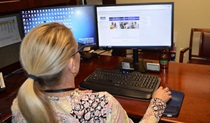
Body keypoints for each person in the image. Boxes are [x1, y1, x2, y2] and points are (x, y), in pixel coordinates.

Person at [11, 22, 172, 123]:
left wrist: (73, 95)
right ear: (72, 64)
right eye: (77, 51)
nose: (80, 54)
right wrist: (157, 103)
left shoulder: (21, 103)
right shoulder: (103, 105)